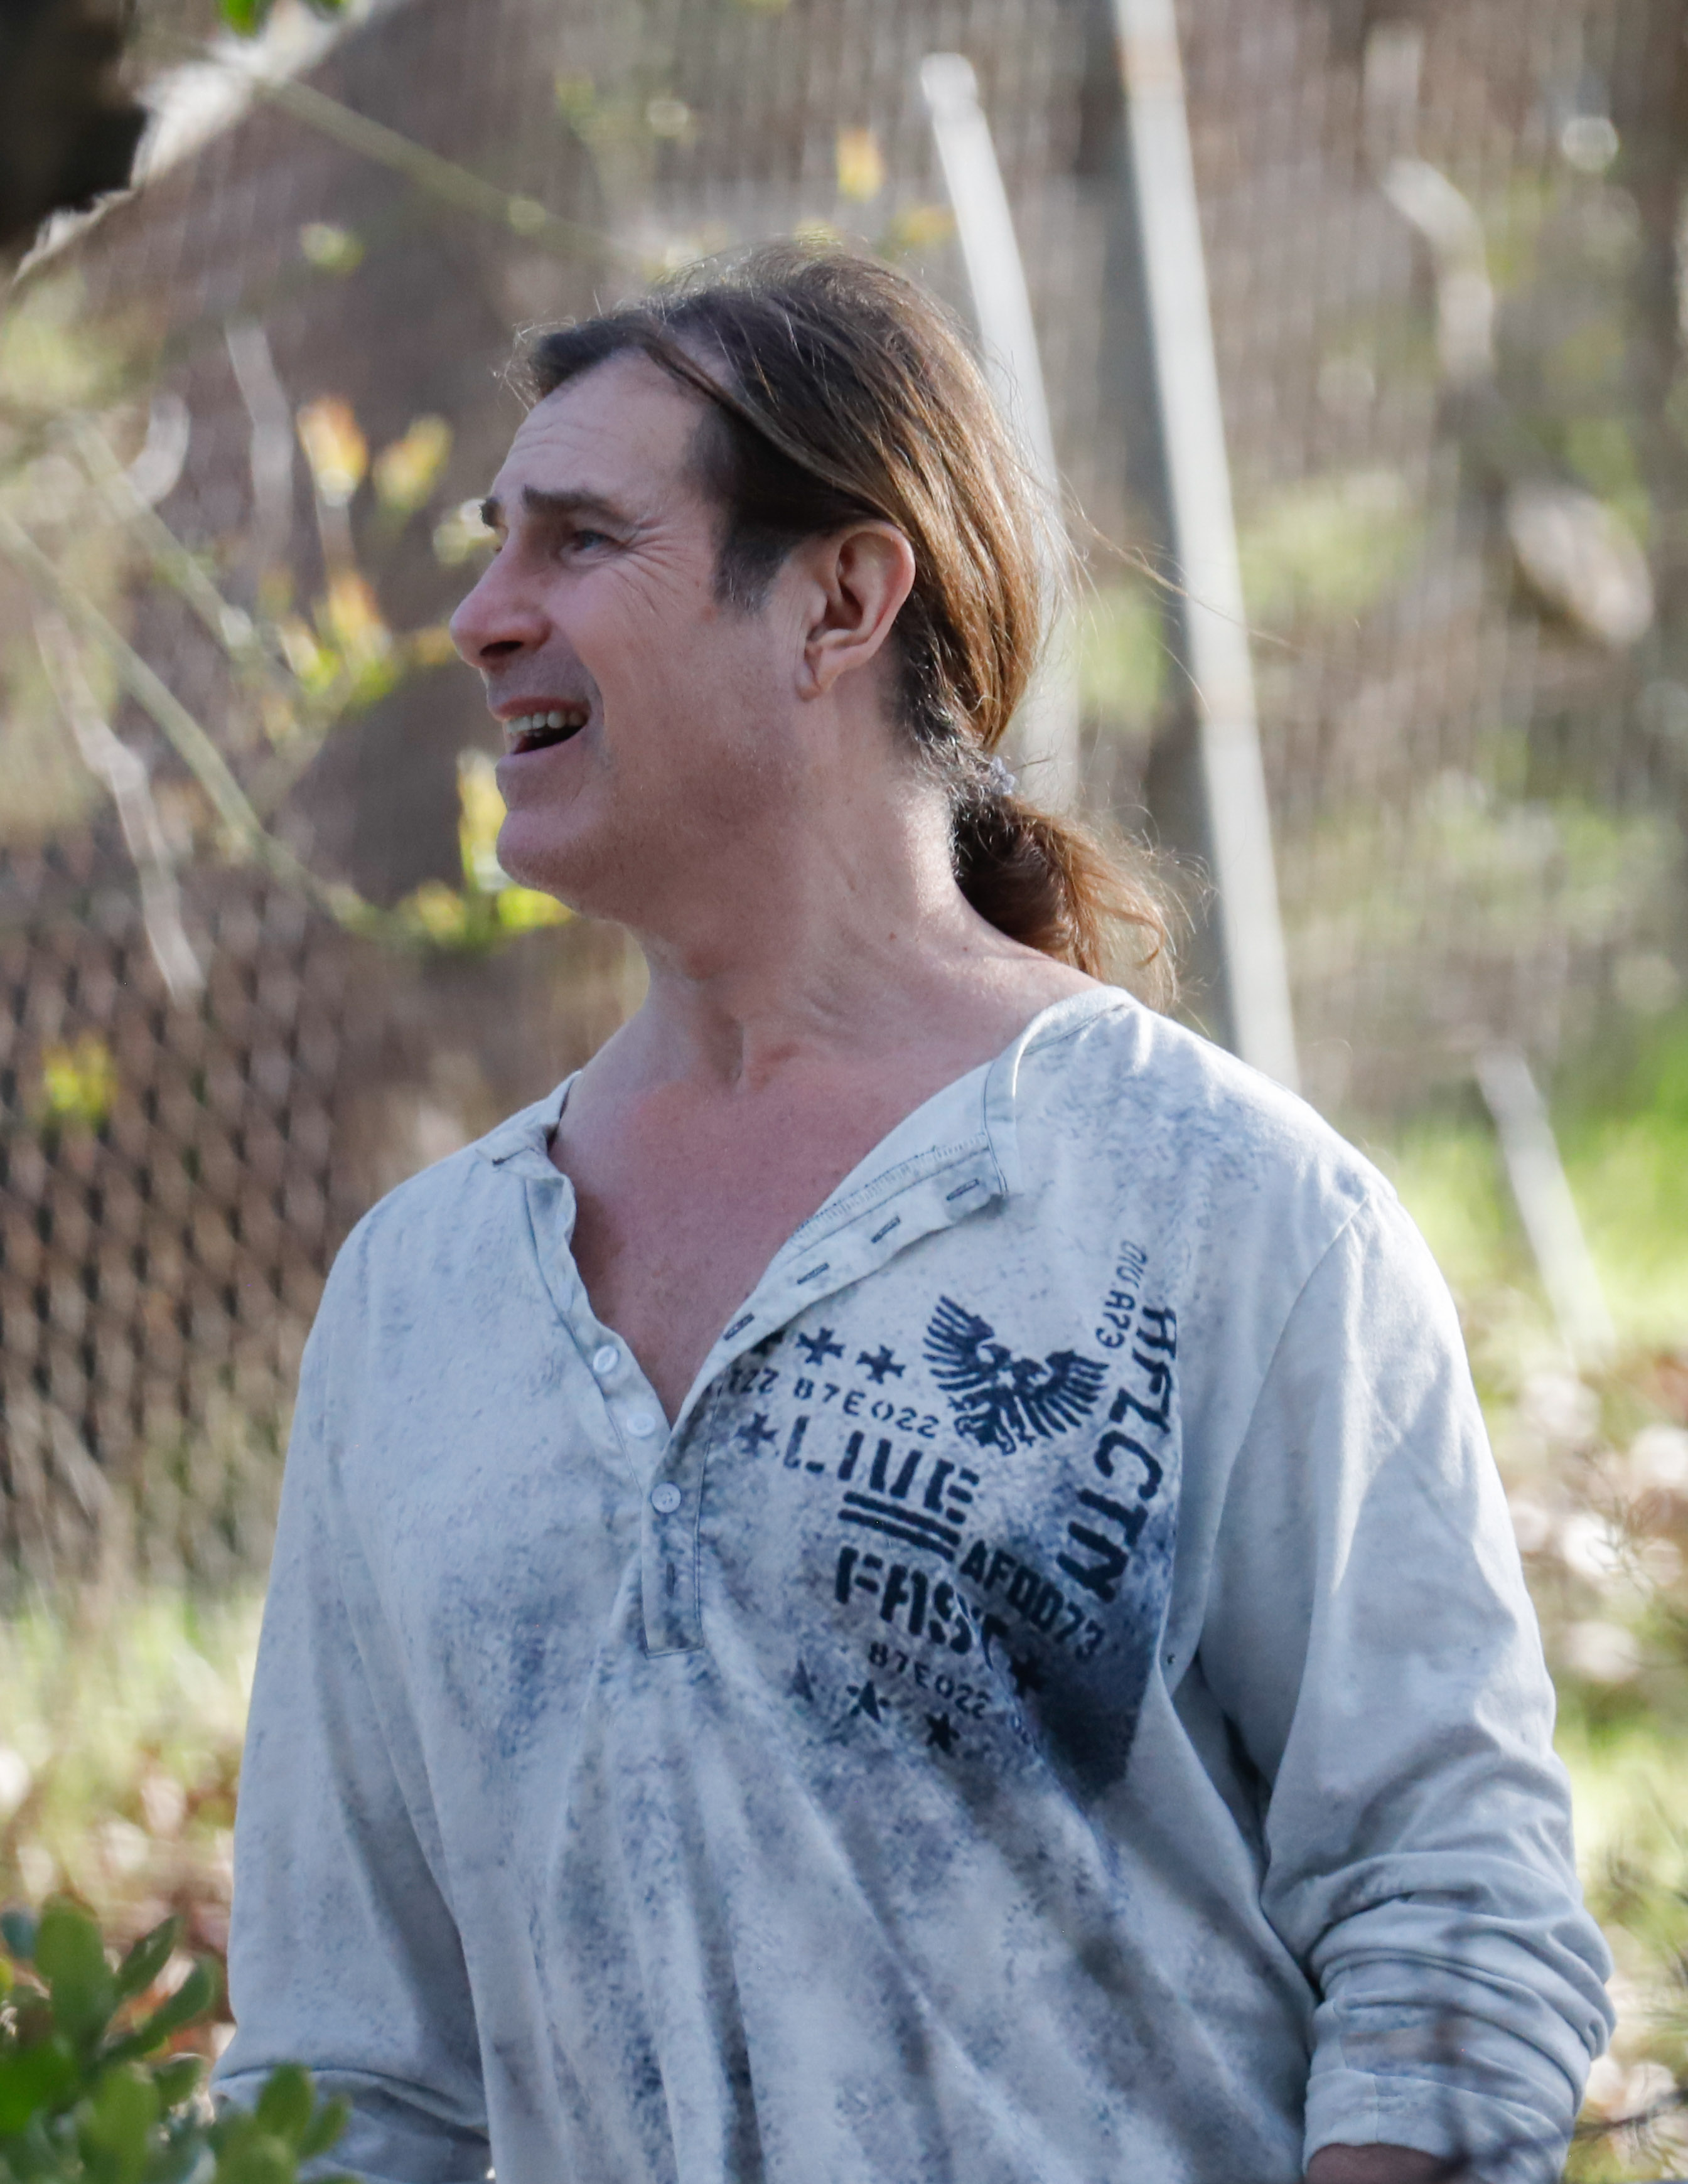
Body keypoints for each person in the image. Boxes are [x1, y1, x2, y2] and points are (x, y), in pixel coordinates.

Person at [215, 243, 1613, 2184]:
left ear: (840, 599)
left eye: (580, 540)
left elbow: (1449, 1920)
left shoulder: (1219, 1210)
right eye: (492, 544)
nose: (480, 616)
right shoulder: (420, 1299)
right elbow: (350, 2069)